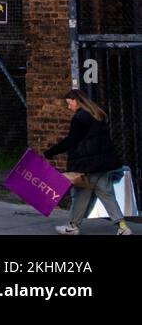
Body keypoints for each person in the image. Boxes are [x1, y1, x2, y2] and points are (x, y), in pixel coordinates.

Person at [44, 89, 133, 235]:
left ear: (76, 100)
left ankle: (72, 226)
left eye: (69, 103)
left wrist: (51, 152)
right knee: (107, 195)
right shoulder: (96, 114)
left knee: (81, 195)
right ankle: (123, 227)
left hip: (88, 165)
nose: (69, 107)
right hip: (102, 163)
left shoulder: (80, 118)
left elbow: (71, 140)